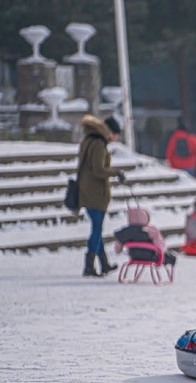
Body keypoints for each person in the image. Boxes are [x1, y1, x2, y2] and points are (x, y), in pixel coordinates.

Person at [78, 114, 124, 277]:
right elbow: (98, 169)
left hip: (88, 189)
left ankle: (103, 263)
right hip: (95, 192)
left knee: (97, 229)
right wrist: (115, 172)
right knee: (96, 230)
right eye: (115, 134)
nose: (115, 138)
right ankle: (89, 265)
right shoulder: (98, 144)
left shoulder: (89, 140)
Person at [113, 207, 177, 266]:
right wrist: (163, 251)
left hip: (134, 256)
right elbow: (160, 246)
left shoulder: (125, 232)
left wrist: (118, 250)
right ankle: (172, 260)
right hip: (150, 256)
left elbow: (118, 247)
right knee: (169, 258)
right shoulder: (151, 231)